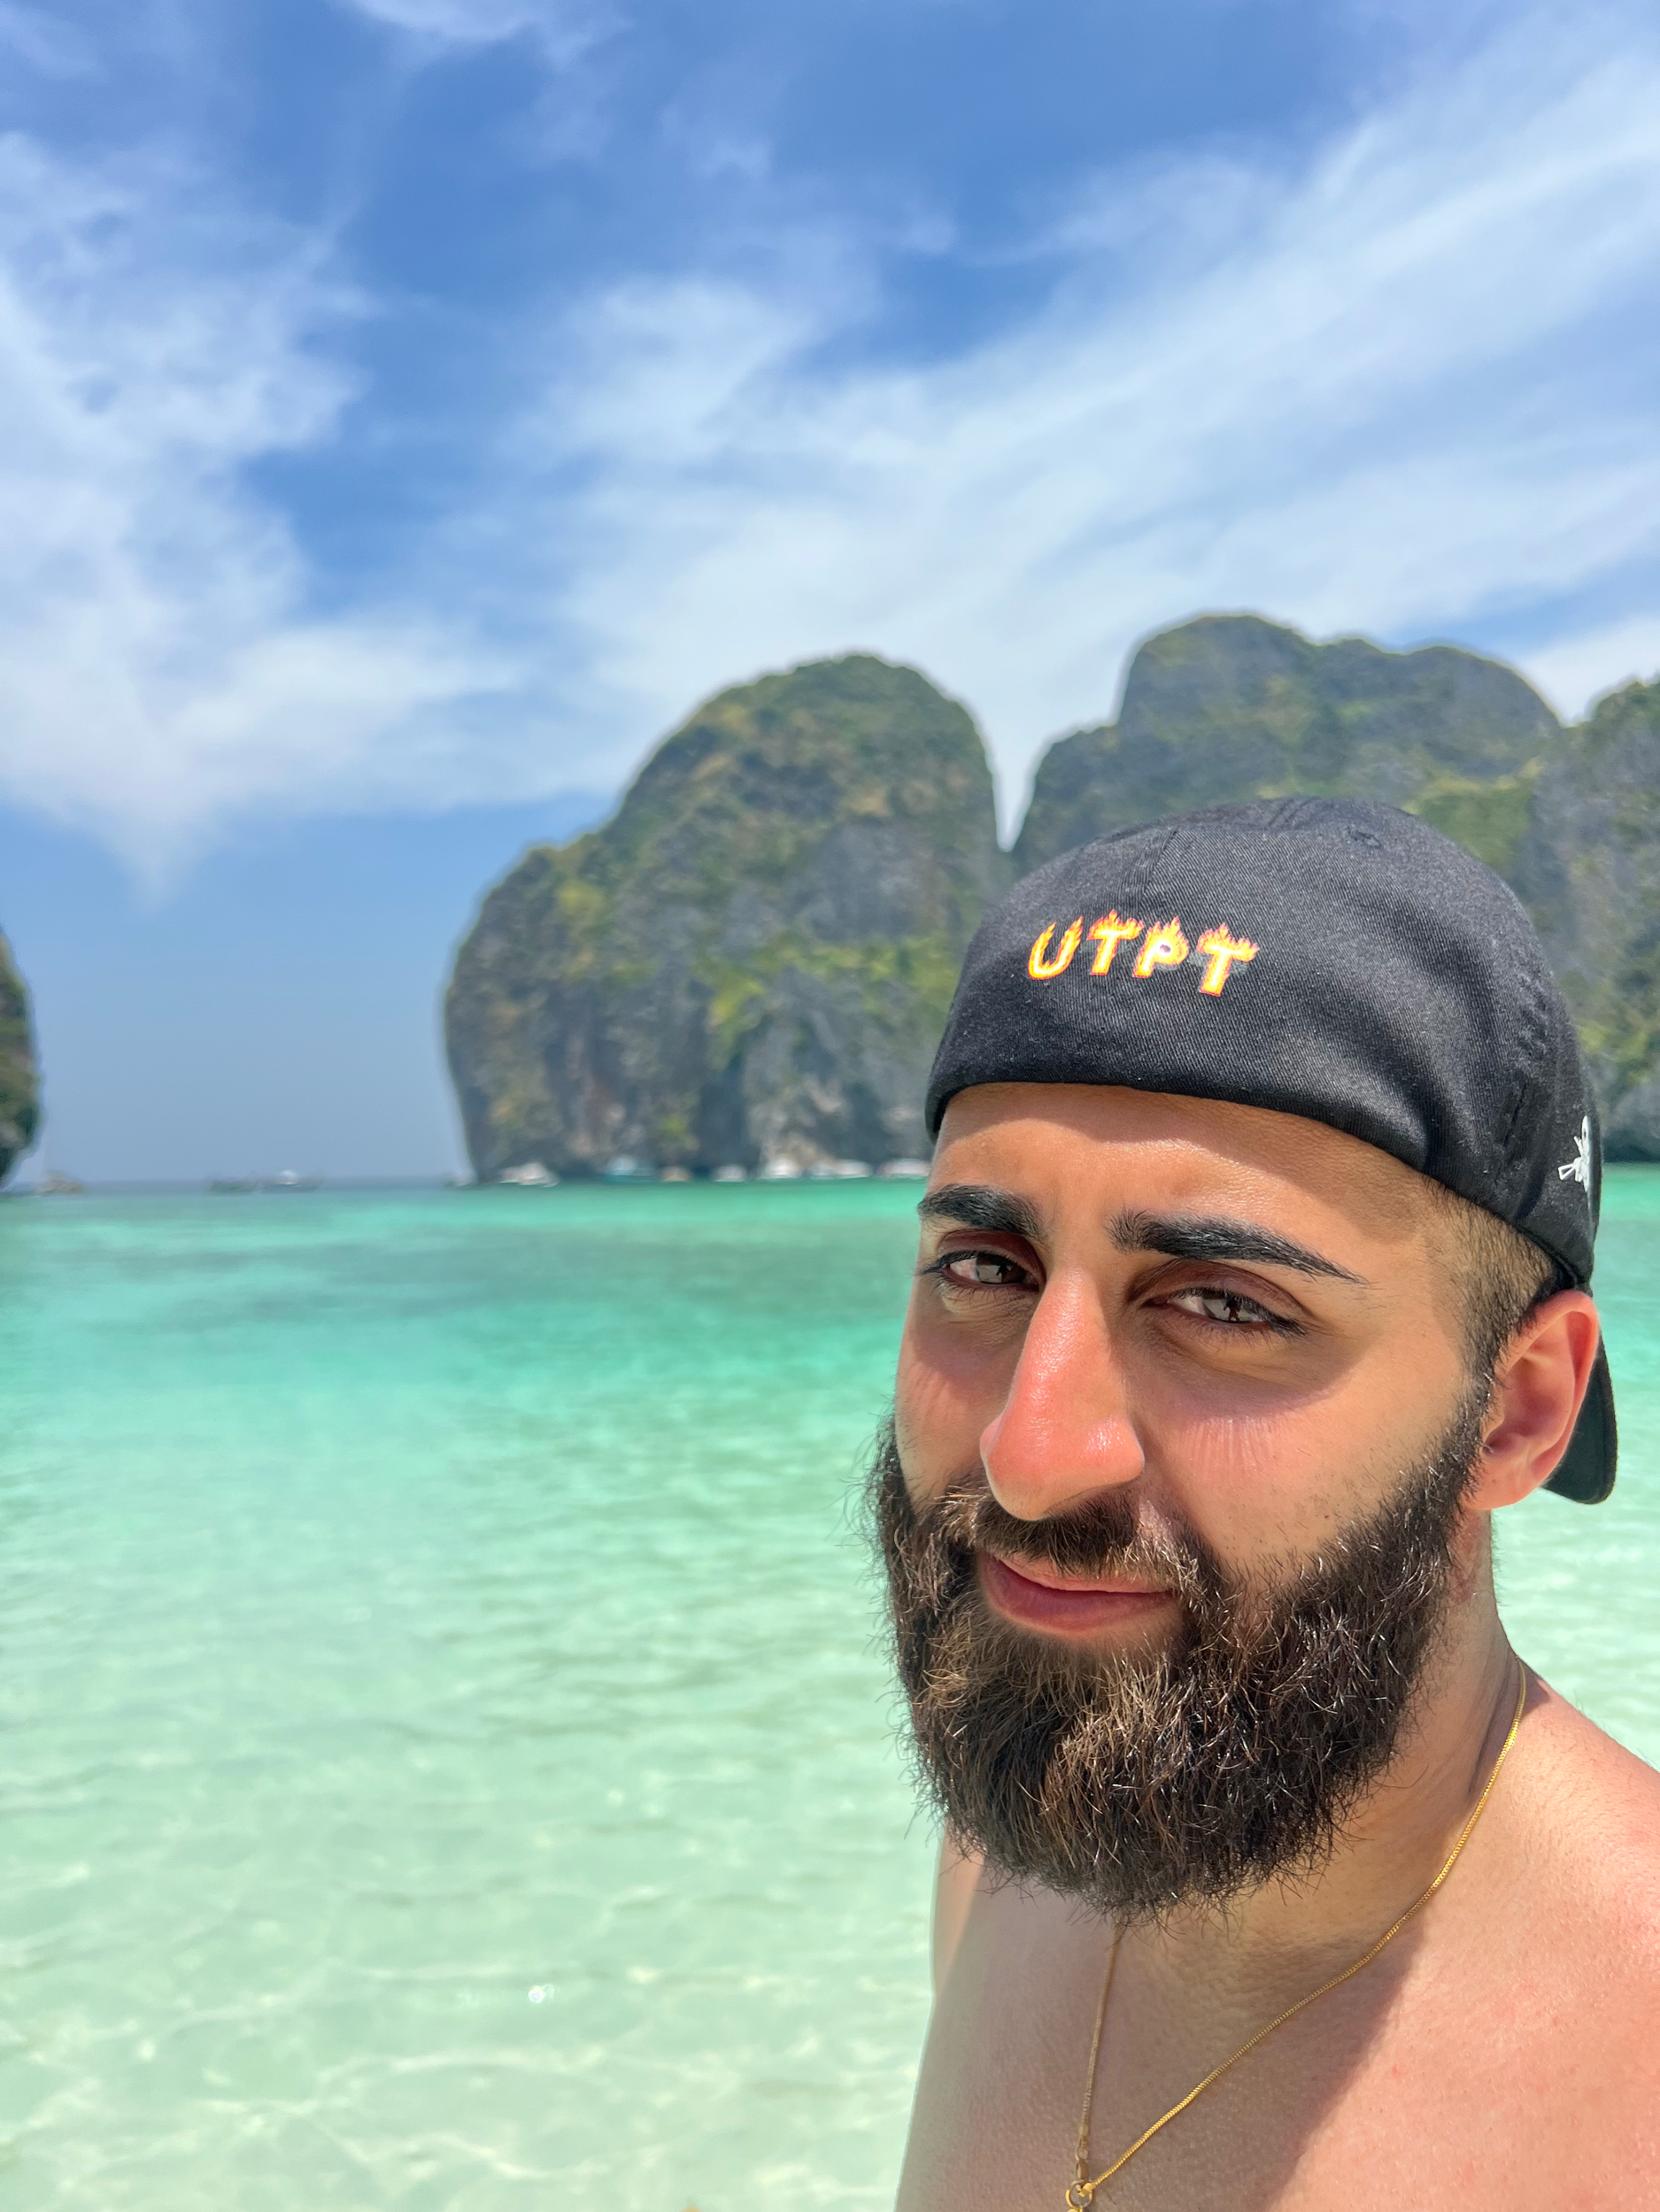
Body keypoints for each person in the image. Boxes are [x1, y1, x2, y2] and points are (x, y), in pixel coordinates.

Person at [876, 799, 1660, 2212]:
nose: (1027, 1456)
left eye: (1225, 1304)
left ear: (1518, 1406)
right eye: (984, 1268)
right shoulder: (1017, 1843)